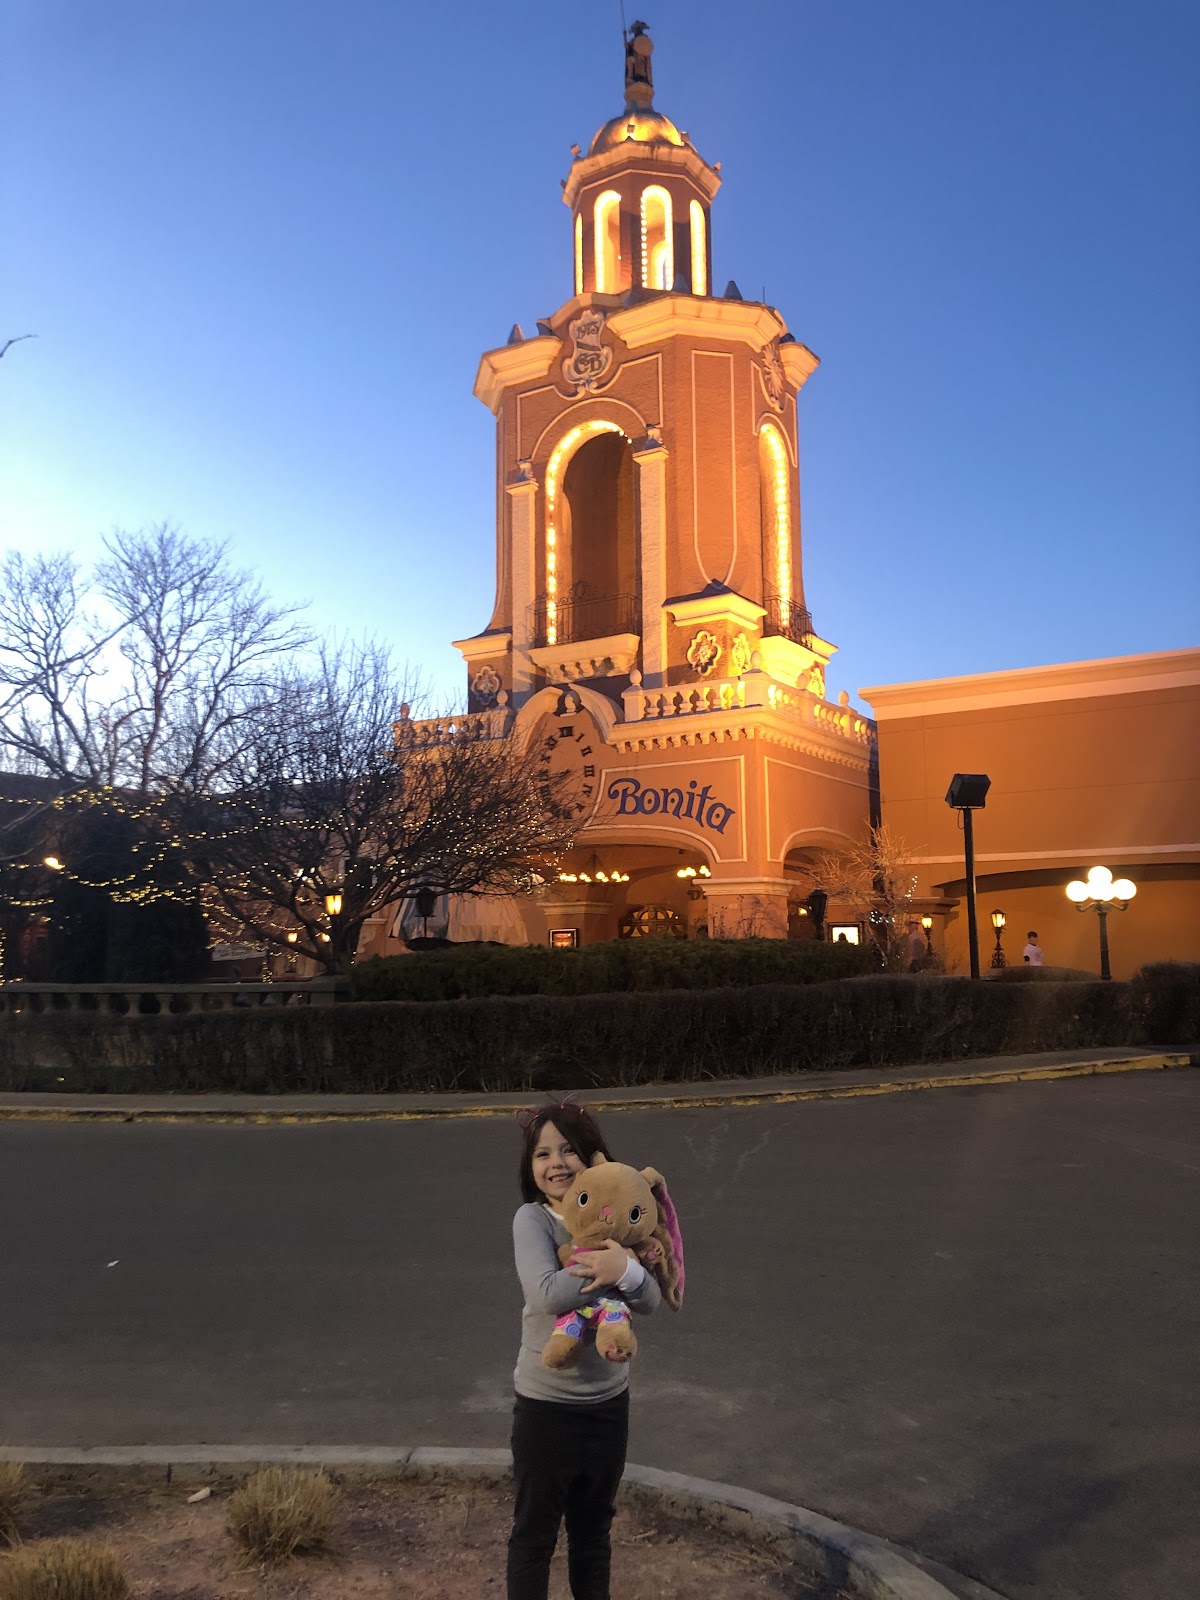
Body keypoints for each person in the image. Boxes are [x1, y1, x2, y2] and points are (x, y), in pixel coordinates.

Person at [507, 1100, 662, 1600]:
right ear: (530, 1167)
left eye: (569, 1150)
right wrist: (612, 1269)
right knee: (534, 1537)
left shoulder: (623, 1217)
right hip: (545, 1408)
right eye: (542, 1154)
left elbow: (652, 1299)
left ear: (592, 1156)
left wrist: (632, 1271)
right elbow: (546, 1293)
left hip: (607, 1406)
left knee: (593, 1537)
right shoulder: (533, 1220)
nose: (556, 1163)